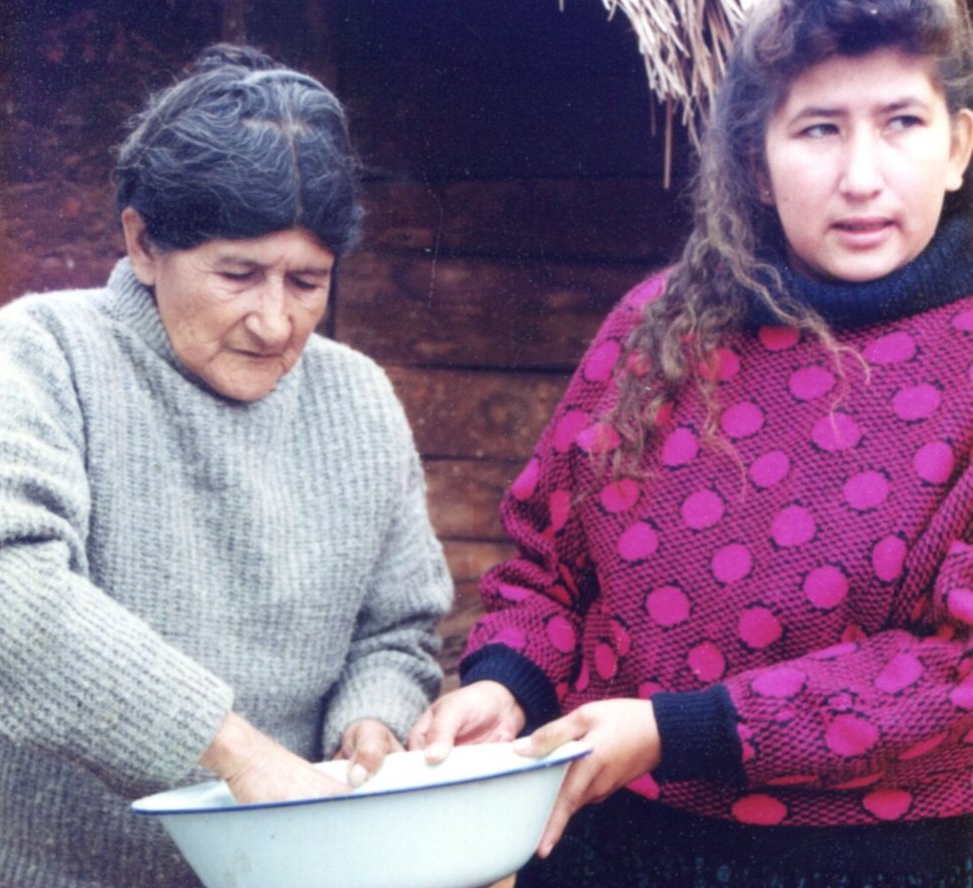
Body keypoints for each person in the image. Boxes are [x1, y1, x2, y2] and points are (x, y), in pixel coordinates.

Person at [409, 0, 973, 884]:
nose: (862, 176)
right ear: (754, 162)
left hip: (876, 863)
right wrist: (503, 687)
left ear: (957, 148)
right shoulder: (656, 326)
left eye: (901, 122)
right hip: (607, 846)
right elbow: (544, 569)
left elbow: (959, 670)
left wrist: (679, 731)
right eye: (818, 129)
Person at [0, 44, 452, 887]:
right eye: (238, 274)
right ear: (144, 243)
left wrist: (372, 722)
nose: (274, 322)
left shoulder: (359, 399)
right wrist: (232, 752)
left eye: (307, 282)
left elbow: (397, 629)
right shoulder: (49, 350)